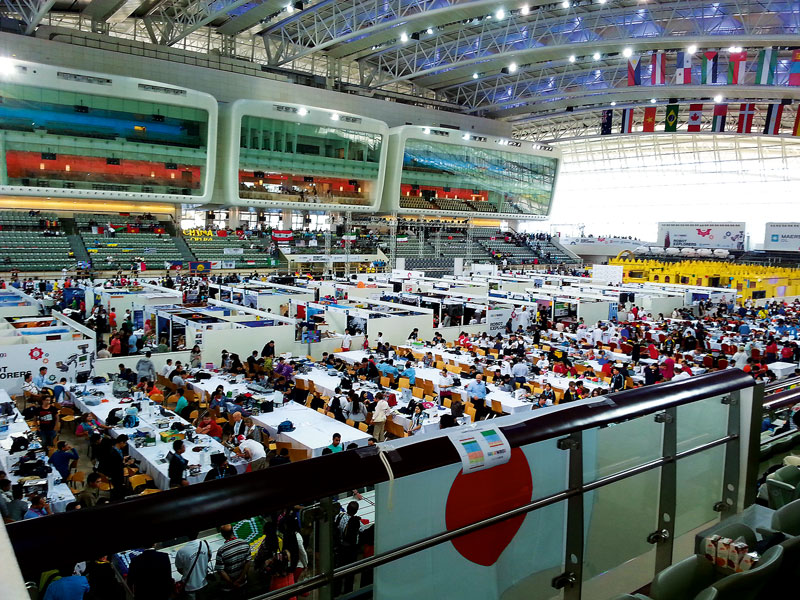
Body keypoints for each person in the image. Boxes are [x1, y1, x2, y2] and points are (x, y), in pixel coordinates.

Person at [215, 524, 252, 595]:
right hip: (242, 583)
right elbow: (248, 562)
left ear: (222, 535)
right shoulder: (245, 543)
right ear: (233, 531)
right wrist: (240, 579)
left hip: (228, 587)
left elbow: (220, 570)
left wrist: (232, 583)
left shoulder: (222, 550)